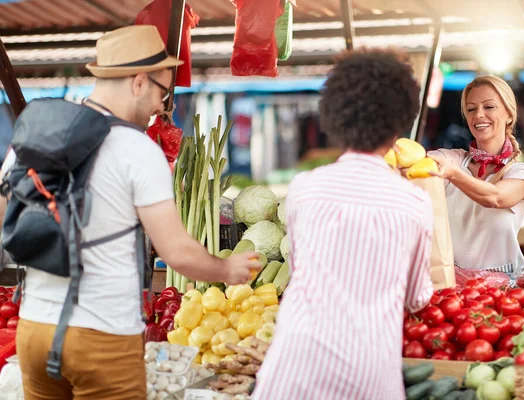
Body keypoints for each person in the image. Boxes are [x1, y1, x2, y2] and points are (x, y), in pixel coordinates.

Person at [3, 25, 261, 399]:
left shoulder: (36, 134)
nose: (162, 104)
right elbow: (175, 252)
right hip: (102, 340)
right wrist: (227, 269)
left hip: (35, 331)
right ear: (139, 82)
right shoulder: (136, 149)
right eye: (162, 91)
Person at [252, 48, 434, 400]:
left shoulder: (305, 189)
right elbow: (415, 298)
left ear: (336, 119)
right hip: (369, 376)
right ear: (399, 124)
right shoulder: (413, 202)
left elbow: (306, 269)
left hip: (293, 370)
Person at [428, 75, 524, 272]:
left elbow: (494, 197)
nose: (479, 115)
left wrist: (452, 174)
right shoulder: (455, 160)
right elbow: (422, 162)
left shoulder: (522, 173)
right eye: (471, 109)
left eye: (489, 107)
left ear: (509, 114)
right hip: (456, 291)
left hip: (505, 291)